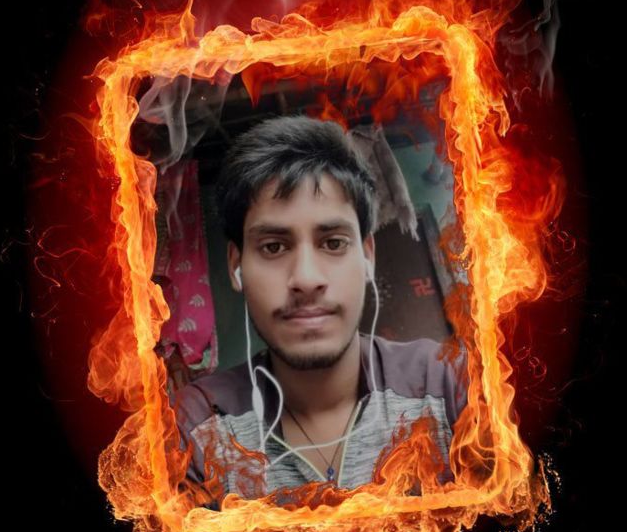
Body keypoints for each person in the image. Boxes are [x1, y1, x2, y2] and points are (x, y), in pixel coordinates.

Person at [172, 115, 468, 509]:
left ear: (367, 256)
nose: (307, 279)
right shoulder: (198, 424)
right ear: (236, 266)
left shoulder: (446, 383)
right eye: (274, 247)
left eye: (333, 243)